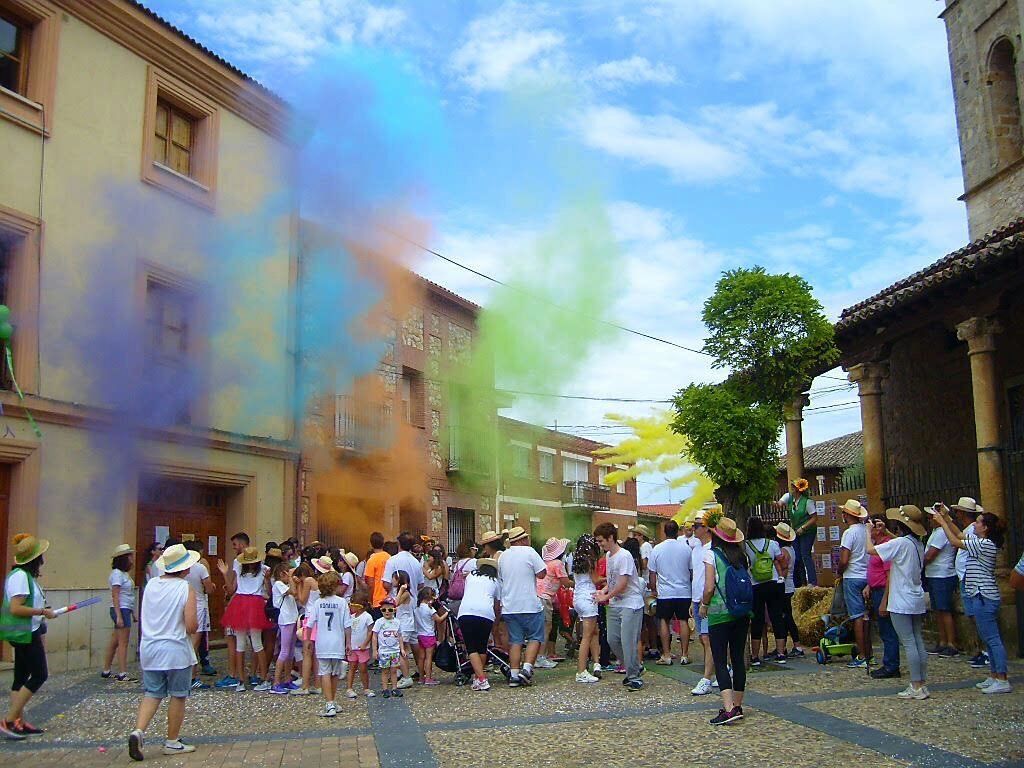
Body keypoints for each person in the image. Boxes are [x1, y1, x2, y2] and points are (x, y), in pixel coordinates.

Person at [128, 543, 200, 760]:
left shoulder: (151, 585)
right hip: (176, 649)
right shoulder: (185, 588)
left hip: (150, 647)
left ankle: (138, 731)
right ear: (185, 568)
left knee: (152, 692)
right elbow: (191, 625)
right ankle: (172, 741)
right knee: (178, 695)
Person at [932, 504, 1012, 694]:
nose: (975, 525)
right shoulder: (981, 541)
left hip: (984, 595)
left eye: (978, 522)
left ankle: (1002, 677)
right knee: (988, 637)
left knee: (992, 639)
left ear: (985, 527)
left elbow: (955, 541)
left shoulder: (984, 544)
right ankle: (994, 675)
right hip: (980, 594)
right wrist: (947, 518)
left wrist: (942, 522)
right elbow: (960, 536)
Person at [864, 505, 928, 699]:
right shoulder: (917, 544)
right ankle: (921, 682)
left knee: (908, 642)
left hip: (901, 599)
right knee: (918, 640)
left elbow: (870, 550)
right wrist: (886, 531)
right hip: (916, 596)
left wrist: (868, 532)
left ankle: (916, 685)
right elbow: (897, 542)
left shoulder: (900, 544)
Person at [1, 534, 56, 739]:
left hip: (22, 631)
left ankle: (18, 722)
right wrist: (42, 612)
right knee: (40, 675)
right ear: (35, 559)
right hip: (24, 633)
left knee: (20, 678)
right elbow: (16, 608)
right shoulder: (21, 577)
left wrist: (42, 609)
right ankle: (9, 720)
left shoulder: (22, 576)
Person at [699, 516, 751, 725]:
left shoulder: (711, 555)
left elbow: (709, 587)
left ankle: (728, 708)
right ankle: (738, 705)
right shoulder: (741, 556)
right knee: (738, 658)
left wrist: (704, 605)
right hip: (741, 613)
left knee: (720, 660)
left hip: (719, 614)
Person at [595, 522, 644, 691]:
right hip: (616, 602)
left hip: (631, 602)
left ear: (610, 538)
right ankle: (634, 666)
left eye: (601, 541)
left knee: (628, 640)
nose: (600, 544)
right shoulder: (609, 556)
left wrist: (606, 596)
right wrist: (605, 590)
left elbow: (623, 583)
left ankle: (634, 676)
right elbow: (612, 580)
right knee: (612, 640)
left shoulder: (624, 556)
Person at [497, 526, 548, 688]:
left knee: (515, 641)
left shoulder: (503, 556)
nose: (527, 540)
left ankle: (513, 675)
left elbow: (501, 578)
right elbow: (542, 573)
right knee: (535, 637)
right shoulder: (530, 552)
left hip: (510, 605)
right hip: (529, 604)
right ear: (521, 540)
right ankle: (526, 670)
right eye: (525, 538)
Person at [219, 546, 271, 691]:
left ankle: (242, 680)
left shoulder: (242, 570)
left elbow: (231, 591)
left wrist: (225, 574)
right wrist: (224, 574)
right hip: (254, 603)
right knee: (255, 643)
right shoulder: (263, 570)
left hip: (241, 603)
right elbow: (269, 592)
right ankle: (259, 678)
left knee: (243, 644)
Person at [307, 570, 351, 717]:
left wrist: (308, 640)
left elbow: (309, 624)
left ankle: (329, 702)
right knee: (335, 673)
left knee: (324, 672)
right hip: (337, 641)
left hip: (322, 642)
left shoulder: (318, 603)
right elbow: (347, 625)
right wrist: (348, 642)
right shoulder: (342, 602)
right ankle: (332, 700)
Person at [744, 517, 788, 665]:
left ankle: (755, 656)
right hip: (773, 582)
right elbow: (781, 559)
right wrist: (782, 575)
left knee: (757, 619)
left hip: (755, 585)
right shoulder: (772, 544)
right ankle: (781, 653)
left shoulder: (746, 545)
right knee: (776, 617)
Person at [648, 520, 692, 666]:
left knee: (664, 621)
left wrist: (654, 589)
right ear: (677, 531)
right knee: (684, 620)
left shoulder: (657, 549)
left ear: (664, 532)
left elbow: (652, 573)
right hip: (684, 590)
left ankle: (666, 654)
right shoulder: (686, 548)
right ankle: (685, 654)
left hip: (665, 592)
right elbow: (691, 571)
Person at [383, 533, 423, 689]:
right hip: (413, 606)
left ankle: (404, 673)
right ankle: (421, 672)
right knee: (414, 642)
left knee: (401, 646)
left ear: (398, 544)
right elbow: (420, 584)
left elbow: (386, 584)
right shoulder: (415, 561)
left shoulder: (392, 561)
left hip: (401, 611)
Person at [950, 498, 986, 668]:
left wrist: (944, 520)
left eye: (958, 511)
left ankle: (985, 651)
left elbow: (957, 539)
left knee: (976, 616)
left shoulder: (972, 531)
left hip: (969, 577)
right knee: (972, 615)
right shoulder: (968, 530)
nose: (956, 514)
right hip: (965, 576)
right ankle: (981, 650)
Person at [457, 557, 501, 691]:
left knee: (471, 647)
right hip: (486, 614)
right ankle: (478, 677)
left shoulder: (471, 576)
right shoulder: (495, 582)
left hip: (466, 612)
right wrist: (496, 621)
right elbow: (497, 605)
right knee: (481, 647)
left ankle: (481, 678)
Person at [837, 499, 871, 668]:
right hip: (867, 576)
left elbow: (844, 559)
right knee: (866, 616)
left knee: (857, 616)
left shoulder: (849, 533)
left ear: (847, 515)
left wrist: (839, 571)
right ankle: (869, 653)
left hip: (852, 576)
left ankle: (862, 655)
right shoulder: (867, 530)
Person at [865, 515, 900, 680]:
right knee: (884, 629)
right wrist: (869, 585)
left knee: (888, 630)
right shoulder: (880, 544)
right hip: (876, 589)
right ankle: (889, 663)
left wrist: (885, 600)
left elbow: (889, 575)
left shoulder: (886, 544)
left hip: (883, 592)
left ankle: (891, 665)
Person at [924, 502, 959, 656]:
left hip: (942, 574)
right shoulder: (936, 531)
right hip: (934, 574)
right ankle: (943, 640)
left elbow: (931, 555)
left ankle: (951, 642)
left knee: (944, 609)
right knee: (938, 609)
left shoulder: (941, 533)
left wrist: (920, 562)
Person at [688, 514, 717, 696]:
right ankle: (721, 668)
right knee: (703, 638)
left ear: (706, 528)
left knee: (707, 639)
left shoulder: (712, 549)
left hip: (708, 600)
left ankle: (707, 678)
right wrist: (693, 600)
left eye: (697, 525)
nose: (694, 528)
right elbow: (696, 576)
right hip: (698, 599)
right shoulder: (696, 549)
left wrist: (704, 601)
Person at [181, 540, 215, 687]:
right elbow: (209, 589)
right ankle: (192, 677)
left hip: (182, 605)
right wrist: (211, 585)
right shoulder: (200, 568)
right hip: (199, 605)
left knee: (183, 640)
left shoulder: (180, 568)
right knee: (194, 643)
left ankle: (181, 674)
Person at [102, 544, 138, 683]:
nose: (132, 559)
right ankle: (122, 672)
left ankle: (106, 670)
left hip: (125, 608)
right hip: (120, 609)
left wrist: (132, 612)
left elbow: (128, 595)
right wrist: (118, 616)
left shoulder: (124, 574)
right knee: (123, 642)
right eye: (129, 556)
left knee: (115, 641)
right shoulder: (117, 574)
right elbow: (115, 595)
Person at [571, 534, 602, 683]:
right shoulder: (591, 560)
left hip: (578, 598)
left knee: (592, 632)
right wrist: (609, 577)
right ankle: (581, 671)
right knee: (587, 637)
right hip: (589, 598)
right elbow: (596, 580)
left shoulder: (576, 559)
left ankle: (596, 664)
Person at [293, 558, 327, 696]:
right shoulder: (316, 582)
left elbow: (302, 600)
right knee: (316, 655)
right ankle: (318, 685)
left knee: (307, 653)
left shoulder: (307, 581)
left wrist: (298, 585)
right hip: (318, 619)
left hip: (310, 619)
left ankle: (305, 686)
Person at [538, 537, 571, 667]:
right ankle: (541, 657)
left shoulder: (544, 562)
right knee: (547, 627)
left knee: (538, 628)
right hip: (545, 597)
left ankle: (538, 655)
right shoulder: (557, 564)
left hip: (536, 595)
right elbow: (565, 582)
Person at [773, 523, 805, 657]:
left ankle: (797, 645)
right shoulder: (791, 549)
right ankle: (785, 645)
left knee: (786, 617)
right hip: (789, 585)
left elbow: (783, 570)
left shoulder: (783, 552)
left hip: (784, 586)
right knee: (786, 616)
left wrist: (778, 579)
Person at [779, 478, 818, 586]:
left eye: (793, 487)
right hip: (796, 531)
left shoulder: (807, 502)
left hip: (808, 531)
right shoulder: (789, 498)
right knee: (797, 556)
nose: (791, 488)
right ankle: (801, 582)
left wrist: (804, 528)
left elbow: (814, 518)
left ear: (797, 489)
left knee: (805, 554)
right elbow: (779, 503)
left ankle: (812, 582)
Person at [270, 562, 299, 694]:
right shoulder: (278, 585)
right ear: (282, 574)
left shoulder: (285, 584)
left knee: (291, 652)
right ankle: (276, 682)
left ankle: (287, 679)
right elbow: (293, 592)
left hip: (292, 618)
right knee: (285, 651)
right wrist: (292, 578)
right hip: (285, 619)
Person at [414, 586, 448, 685]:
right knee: (428, 657)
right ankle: (428, 678)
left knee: (421, 657)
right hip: (429, 634)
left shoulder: (417, 608)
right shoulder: (430, 609)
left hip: (420, 634)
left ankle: (421, 677)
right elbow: (439, 620)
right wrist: (446, 614)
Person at [372, 598, 406, 698]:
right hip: (384, 651)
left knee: (394, 670)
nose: (387, 612)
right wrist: (375, 650)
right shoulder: (379, 622)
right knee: (385, 670)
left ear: (394, 610)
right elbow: (374, 636)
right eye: (384, 610)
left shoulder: (397, 622)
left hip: (394, 651)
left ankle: (395, 688)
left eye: (390, 610)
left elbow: (400, 636)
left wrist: (402, 648)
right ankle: (385, 688)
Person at [346, 599, 375, 698]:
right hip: (352, 647)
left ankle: (366, 688)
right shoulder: (351, 617)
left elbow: (370, 631)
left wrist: (365, 643)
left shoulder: (367, 617)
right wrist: (347, 643)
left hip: (362, 647)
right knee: (352, 667)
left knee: (363, 668)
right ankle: (349, 688)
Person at [447, 541, 477, 618]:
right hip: (469, 596)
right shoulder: (474, 562)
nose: (476, 551)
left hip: (457, 598)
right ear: (470, 550)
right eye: (474, 549)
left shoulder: (457, 564)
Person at [364, 532, 390, 619]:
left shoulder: (372, 560)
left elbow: (370, 584)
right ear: (383, 543)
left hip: (377, 600)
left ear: (371, 544)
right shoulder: (389, 557)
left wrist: (370, 601)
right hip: (390, 599)